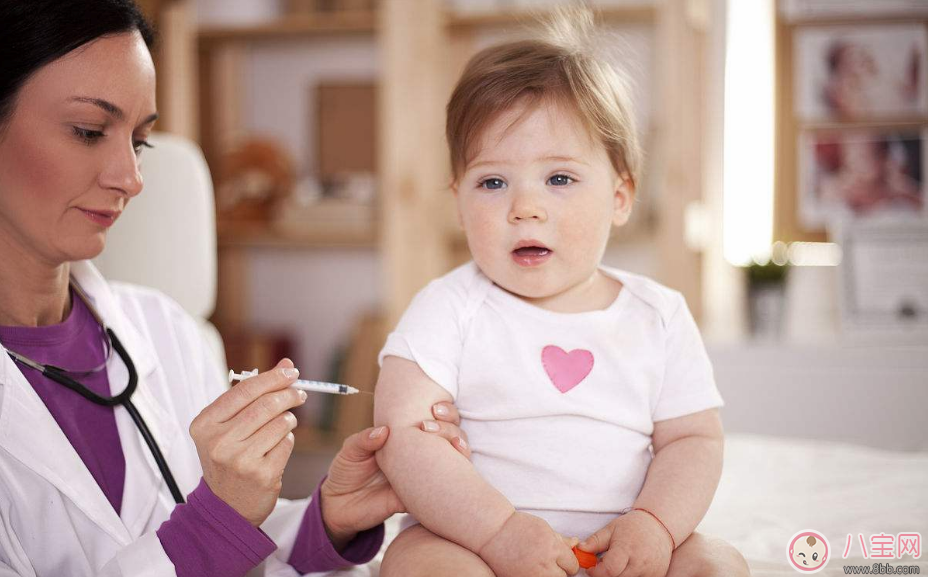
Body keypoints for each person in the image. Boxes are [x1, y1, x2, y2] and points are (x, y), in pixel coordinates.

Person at [0, 1, 470, 575]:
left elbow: (234, 540)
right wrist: (216, 522)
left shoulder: (165, 330)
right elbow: (209, 530)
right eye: (89, 131)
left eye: (140, 141)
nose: (131, 178)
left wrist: (330, 518)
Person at [373, 10, 751, 577]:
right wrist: (499, 531)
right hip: (473, 542)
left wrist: (654, 523)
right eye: (492, 182)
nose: (526, 206)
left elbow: (693, 439)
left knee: (717, 564)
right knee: (420, 564)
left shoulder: (658, 315)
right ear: (458, 201)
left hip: (619, 543)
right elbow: (404, 436)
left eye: (560, 179)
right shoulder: (449, 307)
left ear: (620, 196)